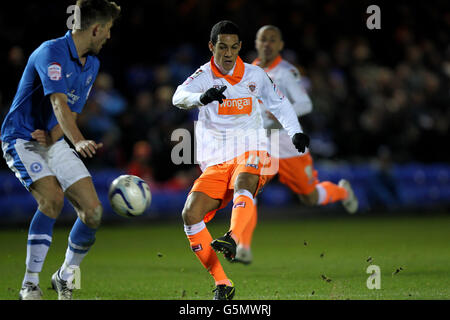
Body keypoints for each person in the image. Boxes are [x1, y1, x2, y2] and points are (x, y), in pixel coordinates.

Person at [172, 20, 310, 300]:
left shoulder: (254, 75)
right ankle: (223, 283)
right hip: (216, 162)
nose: (228, 53)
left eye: (234, 47)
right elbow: (178, 96)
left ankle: (233, 238)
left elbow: (279, 103)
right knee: (190, 214)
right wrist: (202, 97)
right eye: (222, 47)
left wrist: (295, 132)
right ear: (212, 47)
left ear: (239, 48)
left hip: (252, 149)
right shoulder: (203, 76)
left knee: (245, 180)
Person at [0, 0, 121, 300]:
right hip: (21, 137)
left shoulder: (92, 63)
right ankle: (29, 284)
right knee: (52, 199)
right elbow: (58, 103)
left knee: (93, 213)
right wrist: (77, 140)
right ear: (95, 29)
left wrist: (58, 135)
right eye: (107, 30)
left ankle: (65, 276)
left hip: (51, 139)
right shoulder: (50, 52)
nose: (108, 36)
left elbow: (72, 110)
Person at [233, 25, 359, 264]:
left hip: (286, 142)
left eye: (272, 40)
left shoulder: (287, 72)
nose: (267, 44)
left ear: (280, 45)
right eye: (262, 40)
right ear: (256, 44)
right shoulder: (248, 71)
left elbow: (305, 104)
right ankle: (243, 246)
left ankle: (342, 191)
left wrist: (278, 113)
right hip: (260, 141)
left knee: (309, 197)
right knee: (249, 186)